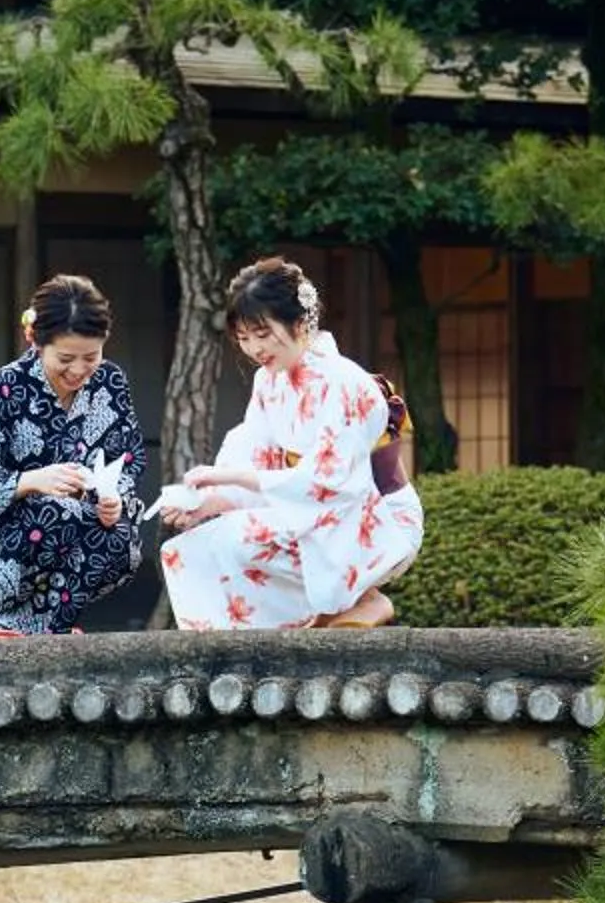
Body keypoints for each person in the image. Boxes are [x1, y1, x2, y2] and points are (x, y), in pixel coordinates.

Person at [158, 256, 424, 631]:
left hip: (377, 518)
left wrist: (229, 476)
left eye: (262, 334)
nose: (253, 349)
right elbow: (260, 460)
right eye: (244, 338)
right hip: (320, 510)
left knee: (245, 534)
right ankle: (330, 610)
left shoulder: (346, 381)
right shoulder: (269, 382)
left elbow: (329, 483)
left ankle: (362, 597)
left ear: (300, 323)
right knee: (212, 543)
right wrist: (210, 502)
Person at [0, 274, 149, 636]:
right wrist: (29, 481)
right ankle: (12, 625)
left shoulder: (111, 382)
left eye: (91, 356)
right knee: (57, 511)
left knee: (119, 539)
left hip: (78, 517)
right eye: (66, 358)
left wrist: (112, 497)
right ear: (36, 341)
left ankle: (53, 627)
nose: (80, 370)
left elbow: (127, 457)